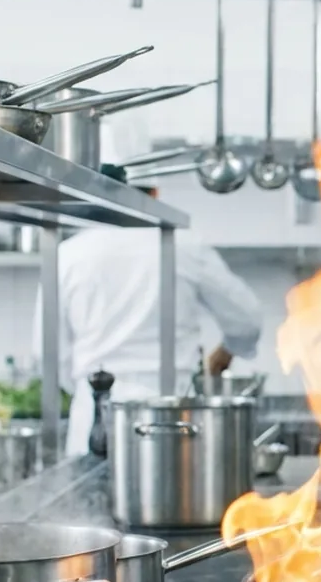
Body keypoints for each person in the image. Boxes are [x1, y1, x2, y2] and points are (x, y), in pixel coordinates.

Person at [33, 167, 263, 458]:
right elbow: (247, 320)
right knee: (173, 499)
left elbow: (48, 355)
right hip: (171, 418)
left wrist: (83, 387)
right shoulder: (185, 246)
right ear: (154, 194)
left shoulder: (68, 254)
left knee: (89, 501)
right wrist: (227, 351)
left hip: (94, 418)